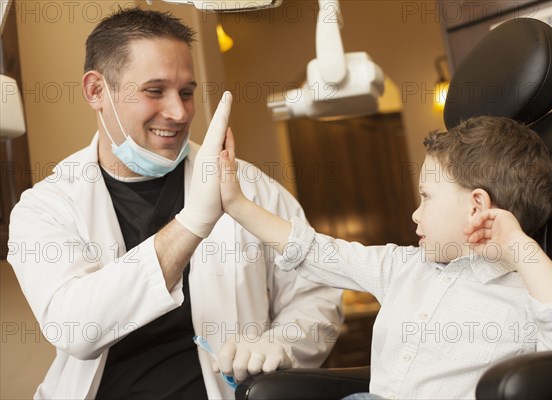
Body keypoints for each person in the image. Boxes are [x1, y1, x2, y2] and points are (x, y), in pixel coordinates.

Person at [7, 8, 342, 399]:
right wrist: (193, 223)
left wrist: (282, 344)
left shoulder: (250, 187)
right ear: (96, 91)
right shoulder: (46, 207)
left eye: (186, 92)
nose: (179, 112)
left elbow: (317, 294)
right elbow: (75, 329)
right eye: (155, 91)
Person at [216, 116, 552, 399]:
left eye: (427, 197)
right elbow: (315, 250)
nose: (415, 214)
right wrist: (236, 204)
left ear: (476, 206)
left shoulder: (530, 295)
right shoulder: (407, 266)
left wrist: (519, 247)